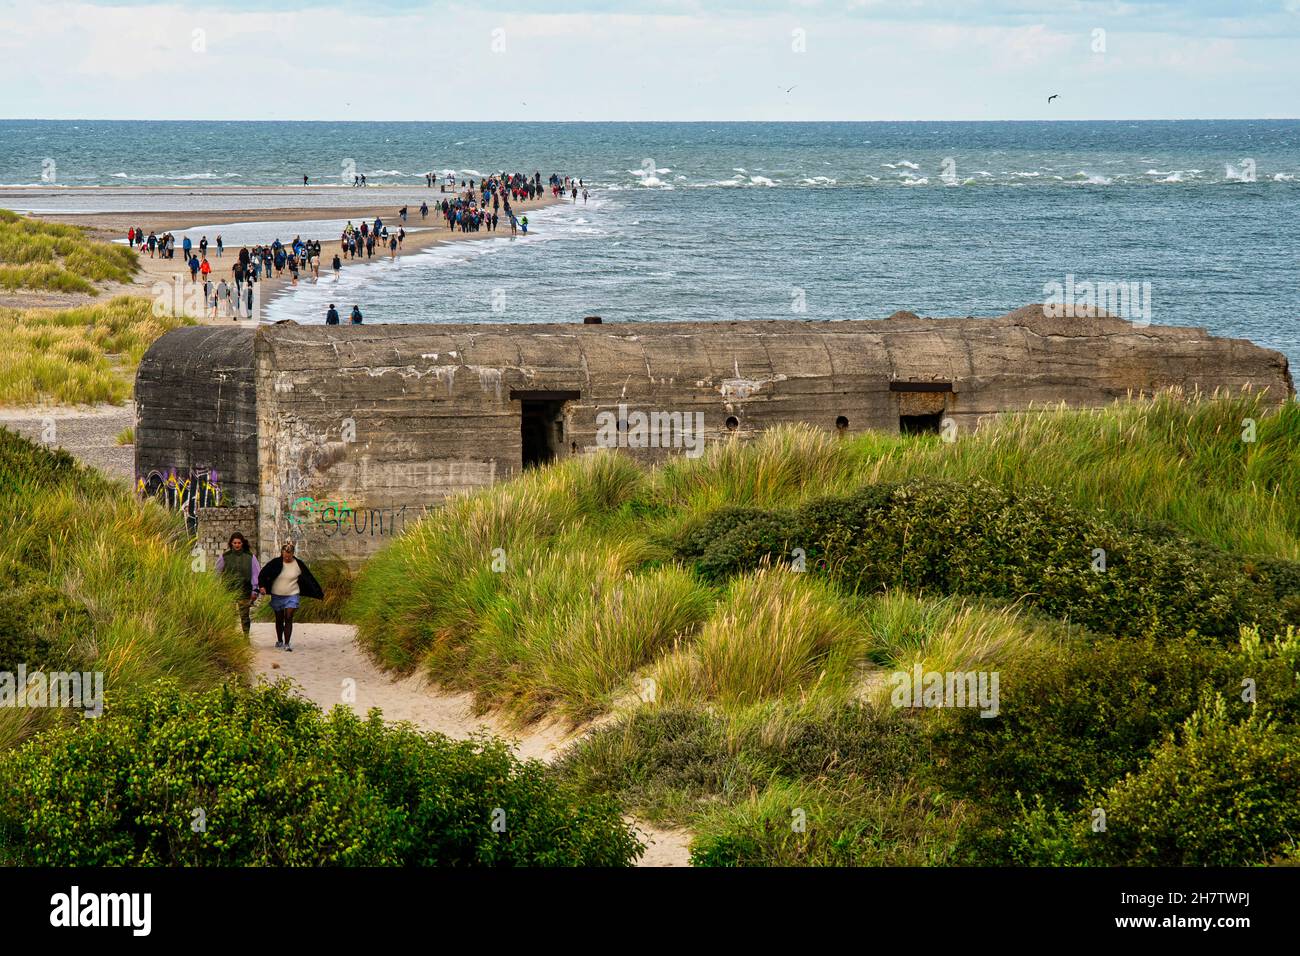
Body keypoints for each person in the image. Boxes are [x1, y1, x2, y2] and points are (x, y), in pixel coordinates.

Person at [257, 542, 324, 651]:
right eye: (285, 556)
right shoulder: (275, 563)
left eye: (289, 556)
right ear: (282, 554)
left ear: (293, 554)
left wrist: (318, 592)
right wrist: (262, 586)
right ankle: (279, 640)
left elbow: (309, 578)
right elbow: (263, 574)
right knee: (279, 619)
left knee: (288, 617)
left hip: (292, 594)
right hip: (277, 595)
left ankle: (287, 643)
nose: (287, 558)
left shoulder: (299, 564)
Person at [216, 532, 260, 637]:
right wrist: (217, 589)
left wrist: (255, 590)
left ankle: (246, 637)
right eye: (234, 542)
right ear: (231, 543)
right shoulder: (225, 557)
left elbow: (256, 574)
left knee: (244, 616)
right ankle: (230, 637)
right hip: (228, 591)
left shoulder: (250, 557)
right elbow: (217, 573)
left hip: (245, 590)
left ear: (242, 543)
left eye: (239, 543)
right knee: (229, 616)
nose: (237, 545)